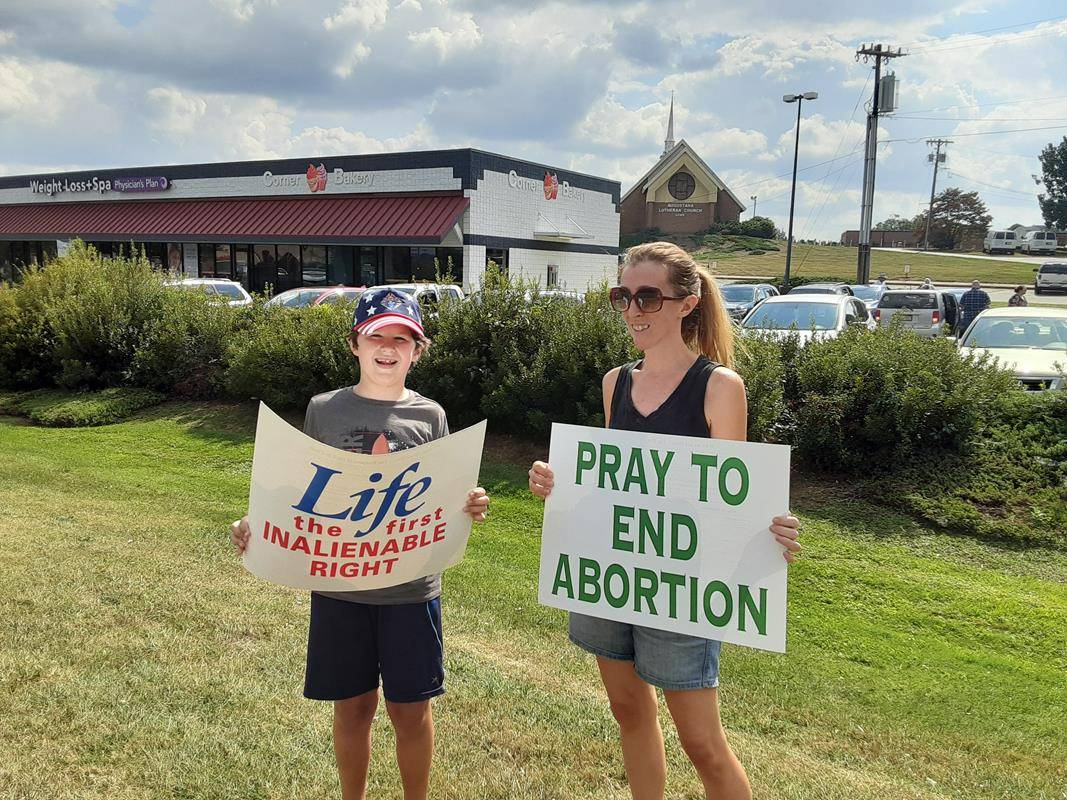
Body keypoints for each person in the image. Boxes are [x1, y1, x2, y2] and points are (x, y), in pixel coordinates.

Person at [528, 242, 802, 800]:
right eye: (623, 297)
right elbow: (611, 487)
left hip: (682, 584)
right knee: (628, 710)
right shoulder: (615, 383)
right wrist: (559, 484)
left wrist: (769, 533)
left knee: (701, 741)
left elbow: (734, 496)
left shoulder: (719, 387)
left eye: (648, 297)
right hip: (612, 575)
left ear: (687, 303)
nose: (633, 311)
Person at [229, 287, 490, 800]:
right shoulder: (324, 411)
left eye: (403, 338)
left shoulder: (431, 416)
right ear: (355, 343)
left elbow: (441, 491)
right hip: (338, 588)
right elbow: (299, 492)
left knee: (411, 710)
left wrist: (470, 503)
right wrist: (254, 522)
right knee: (352, 708)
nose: (388, 347)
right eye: (377, 335)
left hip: (411, 591)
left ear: (418, 349)